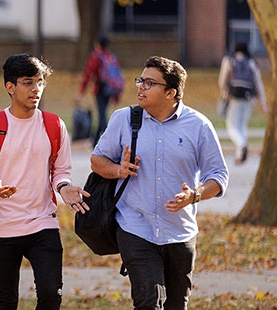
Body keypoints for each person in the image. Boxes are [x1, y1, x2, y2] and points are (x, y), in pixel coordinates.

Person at [90, 56, 229, 309]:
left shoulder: (199, 126)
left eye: (149, 83)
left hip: (180, 231)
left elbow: (219, 176)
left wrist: (194, 195)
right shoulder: (124, 119)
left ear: (171, 92)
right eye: (140, 80)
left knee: (177, 304)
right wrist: (118, 170)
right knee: (148, 302)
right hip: (135, 226)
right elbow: (97, 160)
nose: (140, 87)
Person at [0, 53, 89, 309]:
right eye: (28, 82)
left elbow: (61, 170)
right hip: (1, 224)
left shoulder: (53, 125)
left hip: (42, 222)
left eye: (40, 81)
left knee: (51, 294)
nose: (36, 89)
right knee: (5, 300)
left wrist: (64, 187)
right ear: (10, 87)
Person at [218, 42, 267, 165]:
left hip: (234, 96)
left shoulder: (229, 60)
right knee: (242, 126)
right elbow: (258, 83)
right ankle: (239, 155)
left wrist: (224, 93)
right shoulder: (251, 62)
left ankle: (242, 145)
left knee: (232, 127)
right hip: (248, 98)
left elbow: (222, 80)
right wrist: (262, 102)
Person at [75, 36, 124, 147]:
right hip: (110, 90)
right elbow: (117, 76)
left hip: (100, 89)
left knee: (102, 116)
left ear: (97, 44)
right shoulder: (111, 57)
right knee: (102, 113)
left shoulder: (96, 57)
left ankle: (110, 141)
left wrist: (81, 92)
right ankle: (95, 140)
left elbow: (88, 74)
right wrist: (117, 95)